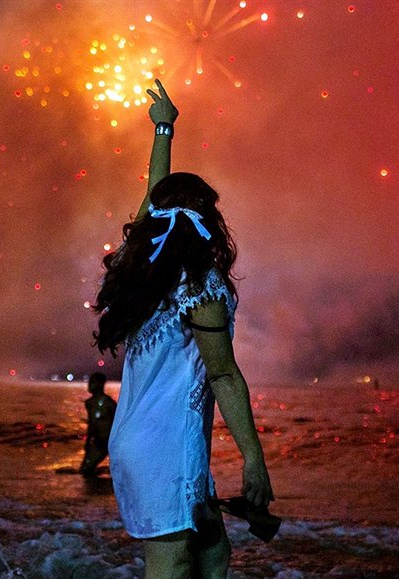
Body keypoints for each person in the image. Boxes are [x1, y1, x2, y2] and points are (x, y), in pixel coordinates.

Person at [93, 79, 274, 578]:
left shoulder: (144, 273)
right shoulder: (200, 285)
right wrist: (254, 460)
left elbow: (155, 200)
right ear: (205, 220)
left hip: (139, 440)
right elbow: (223, 376)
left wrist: (165, 129)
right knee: (172, 564)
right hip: (165, 447)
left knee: (214, 555)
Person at [80, 372, 117, 476]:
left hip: (109, 441)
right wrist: (88, 442)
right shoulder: (89, 403)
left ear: (100, 384)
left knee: (86, 471)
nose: (89, 385)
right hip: (98, 442)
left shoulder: (109, 403)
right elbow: (91, 424)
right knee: (85, 470)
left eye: (92, 382)